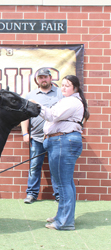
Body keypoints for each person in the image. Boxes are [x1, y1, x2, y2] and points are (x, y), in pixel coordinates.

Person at [35, 75, 89, 230]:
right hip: (62, 142)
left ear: (76, 88)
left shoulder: (72, 101)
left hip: (63, 142)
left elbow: (52, 115)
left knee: (63, 183)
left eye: (68, 85)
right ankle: (63, 216)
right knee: (65, 182)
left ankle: (64, 222)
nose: (64, 88)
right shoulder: (69, 100)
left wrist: (36, 106)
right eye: (62, 85)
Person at [21, 68, 63, 204]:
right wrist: (25, 133)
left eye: (46, 77)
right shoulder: (31, 95)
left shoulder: (60, 93)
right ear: (37, 80)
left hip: (55, 137)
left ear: (51, 78)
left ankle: (58, 194)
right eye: (41, 77)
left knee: (55, 166)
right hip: (37, 138)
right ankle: (31, 194)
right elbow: (25, 116)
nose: (43, 80)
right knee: (34, 166)